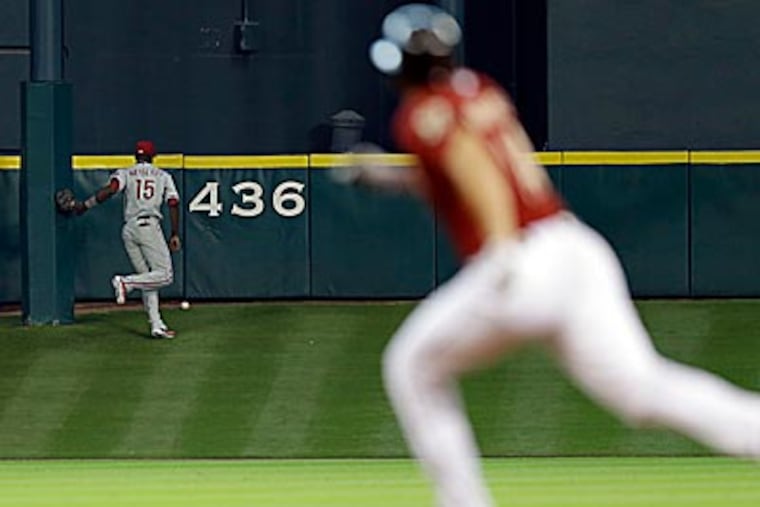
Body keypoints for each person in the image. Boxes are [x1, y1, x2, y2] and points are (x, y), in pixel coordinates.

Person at [348, 4, 760, 507]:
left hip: (520, 260)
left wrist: (500, 255)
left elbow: (476, 172)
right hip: (573, 250)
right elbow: (469, 170)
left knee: (411, 365)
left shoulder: (421, 114)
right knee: (643, 391)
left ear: (402, 67)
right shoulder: (479, 92)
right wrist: (392, 177)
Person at [74, 140, 181, 339]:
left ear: (136, 156)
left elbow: (110, 190)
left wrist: (85, 205)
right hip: (148, 227)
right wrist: (174, 233)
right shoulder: (163, 176)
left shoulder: (126, 172)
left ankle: (156, 325)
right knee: (165, 275)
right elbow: (173, 203)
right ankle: (125, 282)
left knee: (148, 279)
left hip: (129, 229)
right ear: (153, 157)